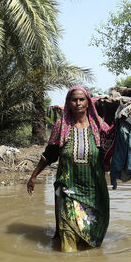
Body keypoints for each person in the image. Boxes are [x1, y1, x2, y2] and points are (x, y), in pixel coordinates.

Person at [27, 86, 111, 252]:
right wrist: (34, 176)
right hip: (67, 189)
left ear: (88, 102)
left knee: (90, 241)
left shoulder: (99, 126)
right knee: (68, 238)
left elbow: (113, 150)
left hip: (94, 191)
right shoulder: (62, 126)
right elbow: (49, 154)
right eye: (74, 100)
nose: (78, 103)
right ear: (68, 103)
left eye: (82, 99)